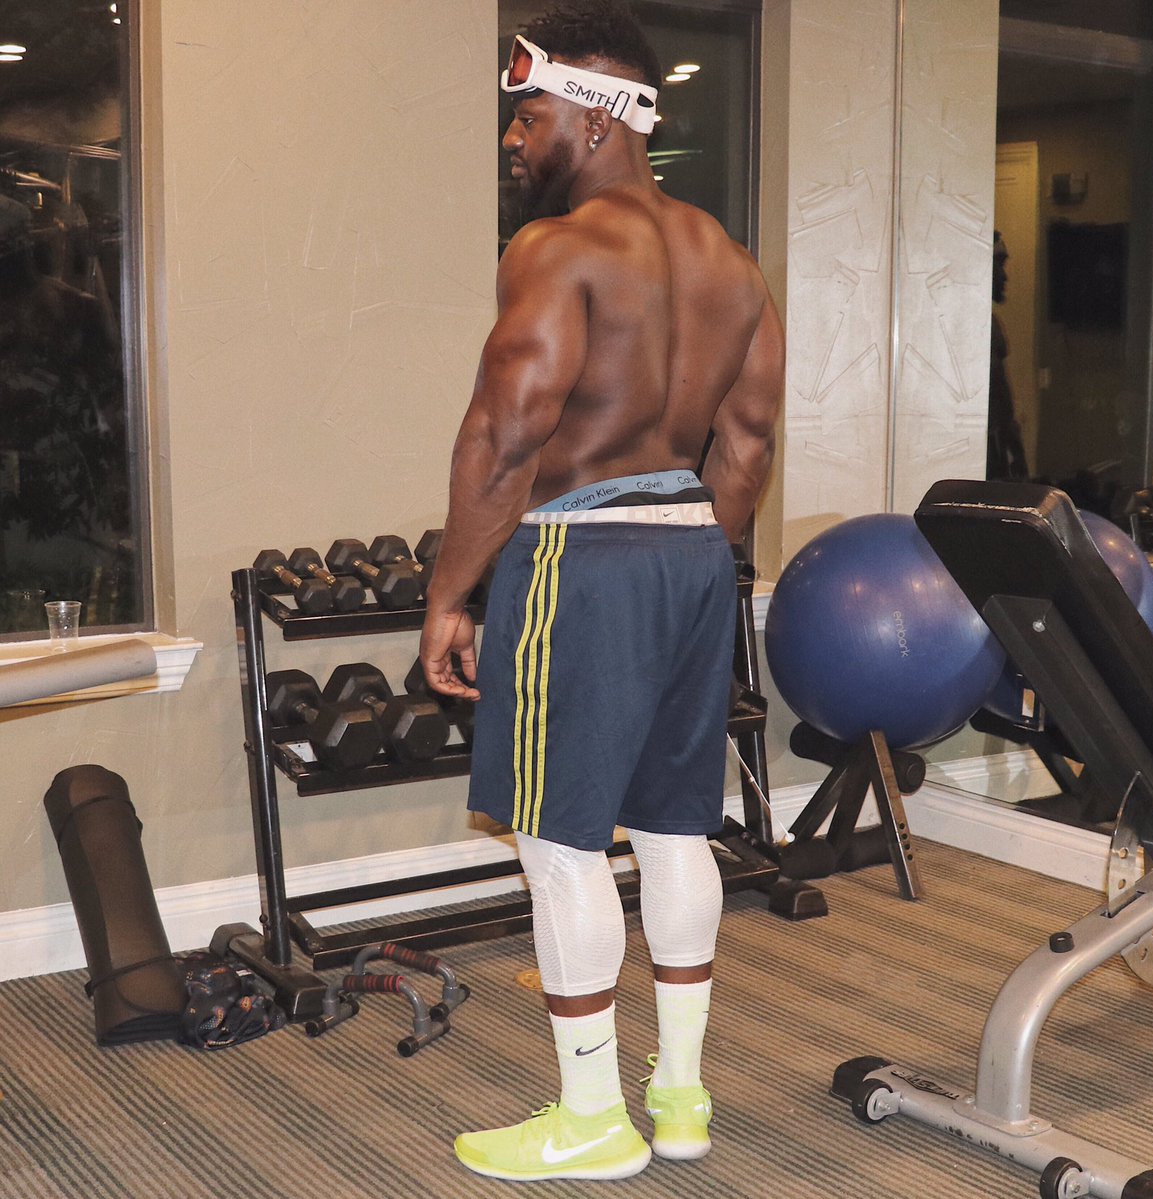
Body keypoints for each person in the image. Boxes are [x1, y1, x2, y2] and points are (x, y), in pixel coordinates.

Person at [418, 0, 784, 1182]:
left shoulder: (557, 248)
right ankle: (680, 1098)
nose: (514, 137)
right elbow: (748, 442)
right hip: (695, 557)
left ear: (594, 116)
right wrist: (690, 557)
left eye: (528, 113)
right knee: (677, 827)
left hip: (582, 555)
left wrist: (449, 594)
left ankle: (591, 1117)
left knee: (558, 839)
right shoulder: (731, 262)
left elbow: (505, 431)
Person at [986, 231, 1029, 481]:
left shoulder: (991, 321)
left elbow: (1001, 392)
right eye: (998, 265)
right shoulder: (978, 323)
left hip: (995, 443)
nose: (1004, 276)